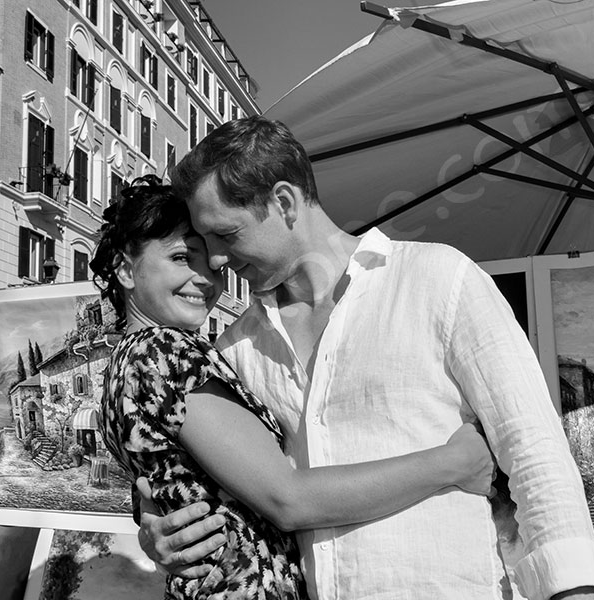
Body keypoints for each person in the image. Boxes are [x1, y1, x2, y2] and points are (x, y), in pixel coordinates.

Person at [137, 116, 594, 600]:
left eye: (226, 234)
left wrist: (574, 590)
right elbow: (225, 487)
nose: (215, 260)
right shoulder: (234, 350)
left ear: (283, 203)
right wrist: (156, 529)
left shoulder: (438, 278)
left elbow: (533, 446)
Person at [90, 176, 497, 599]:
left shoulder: (121, 368)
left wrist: (150, 520)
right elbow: (288, 498)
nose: (205, 280)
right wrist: (452, 463)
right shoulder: (164, 351)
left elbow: (166, 477)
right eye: (180, 257)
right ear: (124, 269)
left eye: (211, 264)